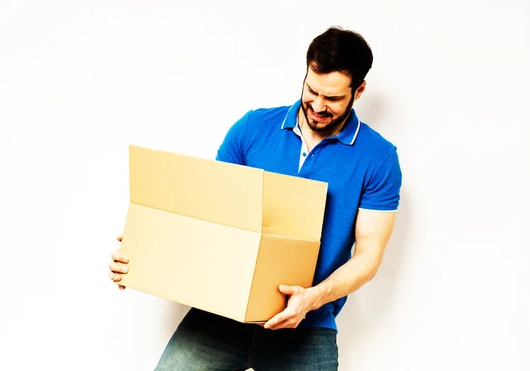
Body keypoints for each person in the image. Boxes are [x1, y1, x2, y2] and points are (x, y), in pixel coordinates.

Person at [108, 26, 402, 370]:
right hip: (222, 312)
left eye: (333, 98)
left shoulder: (378, 158)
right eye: (312, 90)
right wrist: (146, 247)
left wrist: (312, 299)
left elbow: (368, 256)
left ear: (359, 90)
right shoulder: (252, 129)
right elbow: (208, 215)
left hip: (305, 323)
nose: (319, 106)